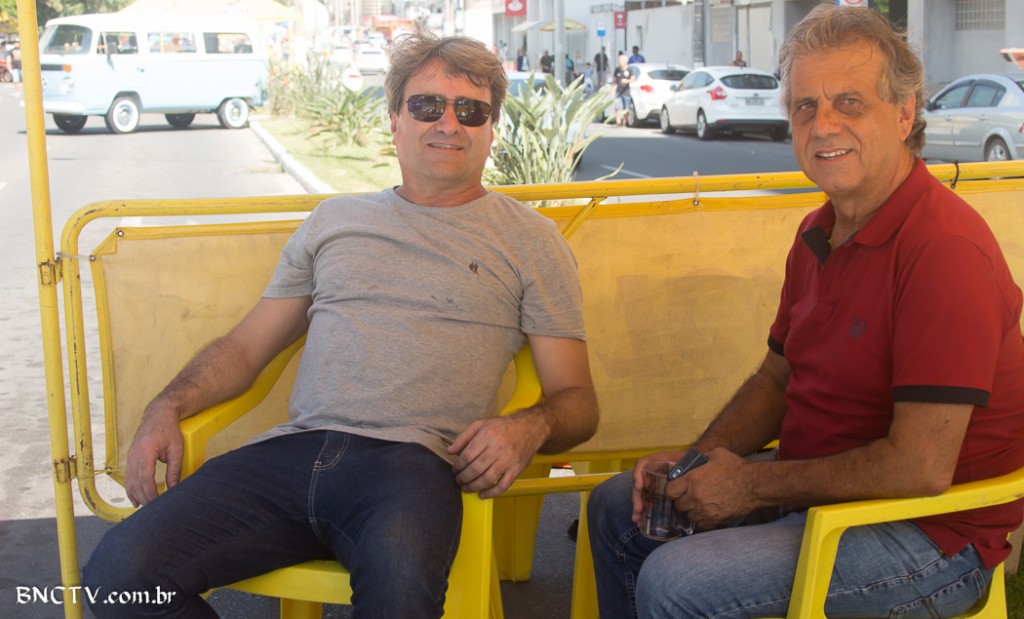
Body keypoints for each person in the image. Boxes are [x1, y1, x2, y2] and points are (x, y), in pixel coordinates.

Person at [82, 29, 599, 618]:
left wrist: (529, 426)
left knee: (399, 599)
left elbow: (577, 399)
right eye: (427, 105)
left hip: (412, 466)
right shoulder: (335, 220)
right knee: (117, 575)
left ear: (491, 129)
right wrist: (166, 406)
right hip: (289, 453)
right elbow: (246, 349)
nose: (449, 123)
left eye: (471, 110)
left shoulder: (532, 241)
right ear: (395, 120)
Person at [588, 5, 1024, 618]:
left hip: (933, 532)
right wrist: (694, 464)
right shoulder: (819, 231)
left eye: (849, 103)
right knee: (615, 511)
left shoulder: (943, 249)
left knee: (677, 582)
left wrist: (749, 486)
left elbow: (920, 467)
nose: (823, 126)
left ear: (904, 113)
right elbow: (777, 379)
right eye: (804, 106)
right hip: (824, 486)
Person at [612, 54, 634, 127]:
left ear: (625, 62)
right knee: (617, 106)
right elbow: (614, 80)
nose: (619, 62)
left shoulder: (629, 70)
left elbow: (633, 79)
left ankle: (624, 122)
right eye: (619, 61)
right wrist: (612, 89)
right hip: (618, 91)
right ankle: (618, 122)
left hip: (626, 92)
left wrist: (626, 81)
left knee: (626, 108)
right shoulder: (617, 70)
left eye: (621, 61)